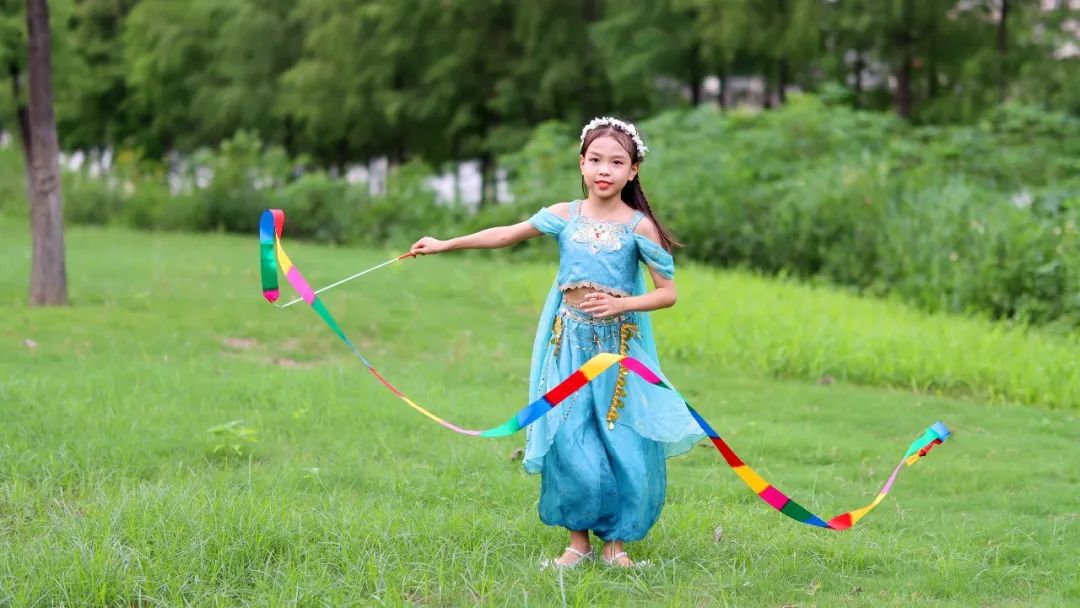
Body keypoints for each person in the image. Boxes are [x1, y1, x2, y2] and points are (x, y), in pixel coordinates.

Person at [410, 117, 703, 569]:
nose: (605, 170)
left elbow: (667, 293)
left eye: (616, 162)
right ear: (582, 164)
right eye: (596, 160)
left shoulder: (639, 228)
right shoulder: (565, 215)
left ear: (634, 170)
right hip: (567, 343)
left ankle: (615, 547)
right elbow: (505, 235)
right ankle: (577, 543)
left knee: (618, 438)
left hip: (617, 351)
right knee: (570, 436)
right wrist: (445, 243)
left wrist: (624, 306)